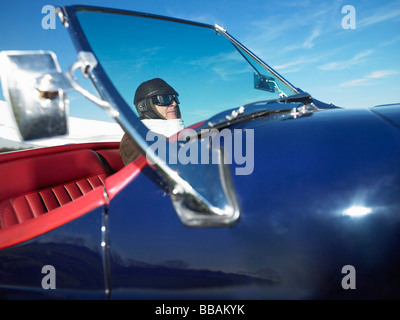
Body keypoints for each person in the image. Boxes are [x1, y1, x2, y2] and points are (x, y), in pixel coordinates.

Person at [119, 78, 185, 165]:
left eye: (175, 98)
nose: (174, 103)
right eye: (164, 98)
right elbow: (150, 172)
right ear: (144, 106)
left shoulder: (184, 133)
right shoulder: (134, 139)